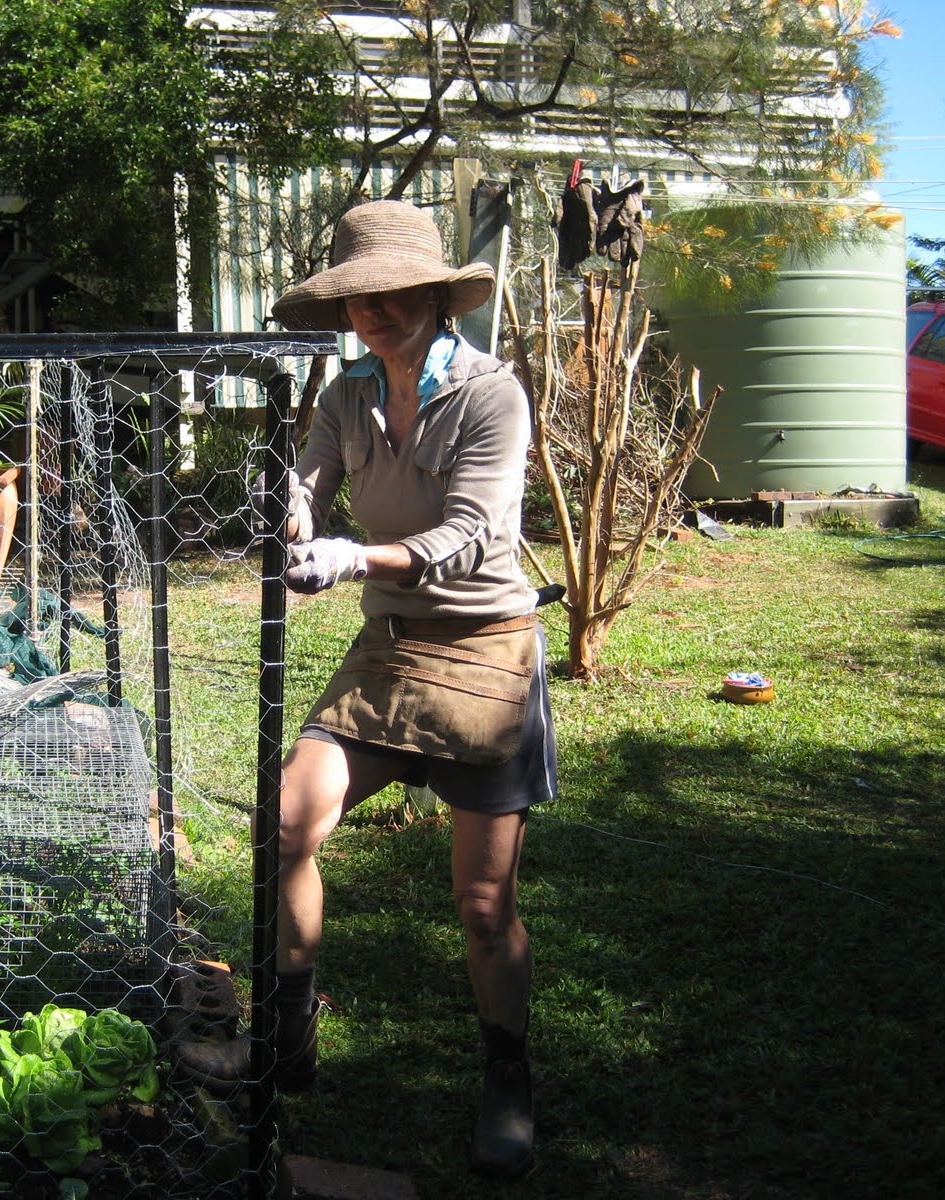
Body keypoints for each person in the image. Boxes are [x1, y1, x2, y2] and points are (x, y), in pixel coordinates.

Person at [177, 199, 557, 1178]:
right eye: (357, 297)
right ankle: (287, 1043)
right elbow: (309, 479)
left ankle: (507, 1077)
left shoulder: (490, 394)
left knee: (481, 903)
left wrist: (351, 559)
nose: (375, 312)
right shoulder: (346, 393)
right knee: (287, 822)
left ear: (436, 295)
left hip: (486, 649)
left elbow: (470, 536)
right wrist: (294, 506)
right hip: (389, 650)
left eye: (392, 293)